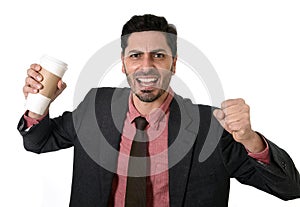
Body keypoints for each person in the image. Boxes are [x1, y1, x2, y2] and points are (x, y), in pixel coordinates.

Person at [18, 14, 300, 207]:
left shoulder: (211, 126)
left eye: (159, 55)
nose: (146, 65)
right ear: (123, 63)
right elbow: (37, 141)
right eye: (136, 55)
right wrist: (39, 104)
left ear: (173, 64)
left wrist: (251, 139)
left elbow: (289, 189)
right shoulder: (95, 107)